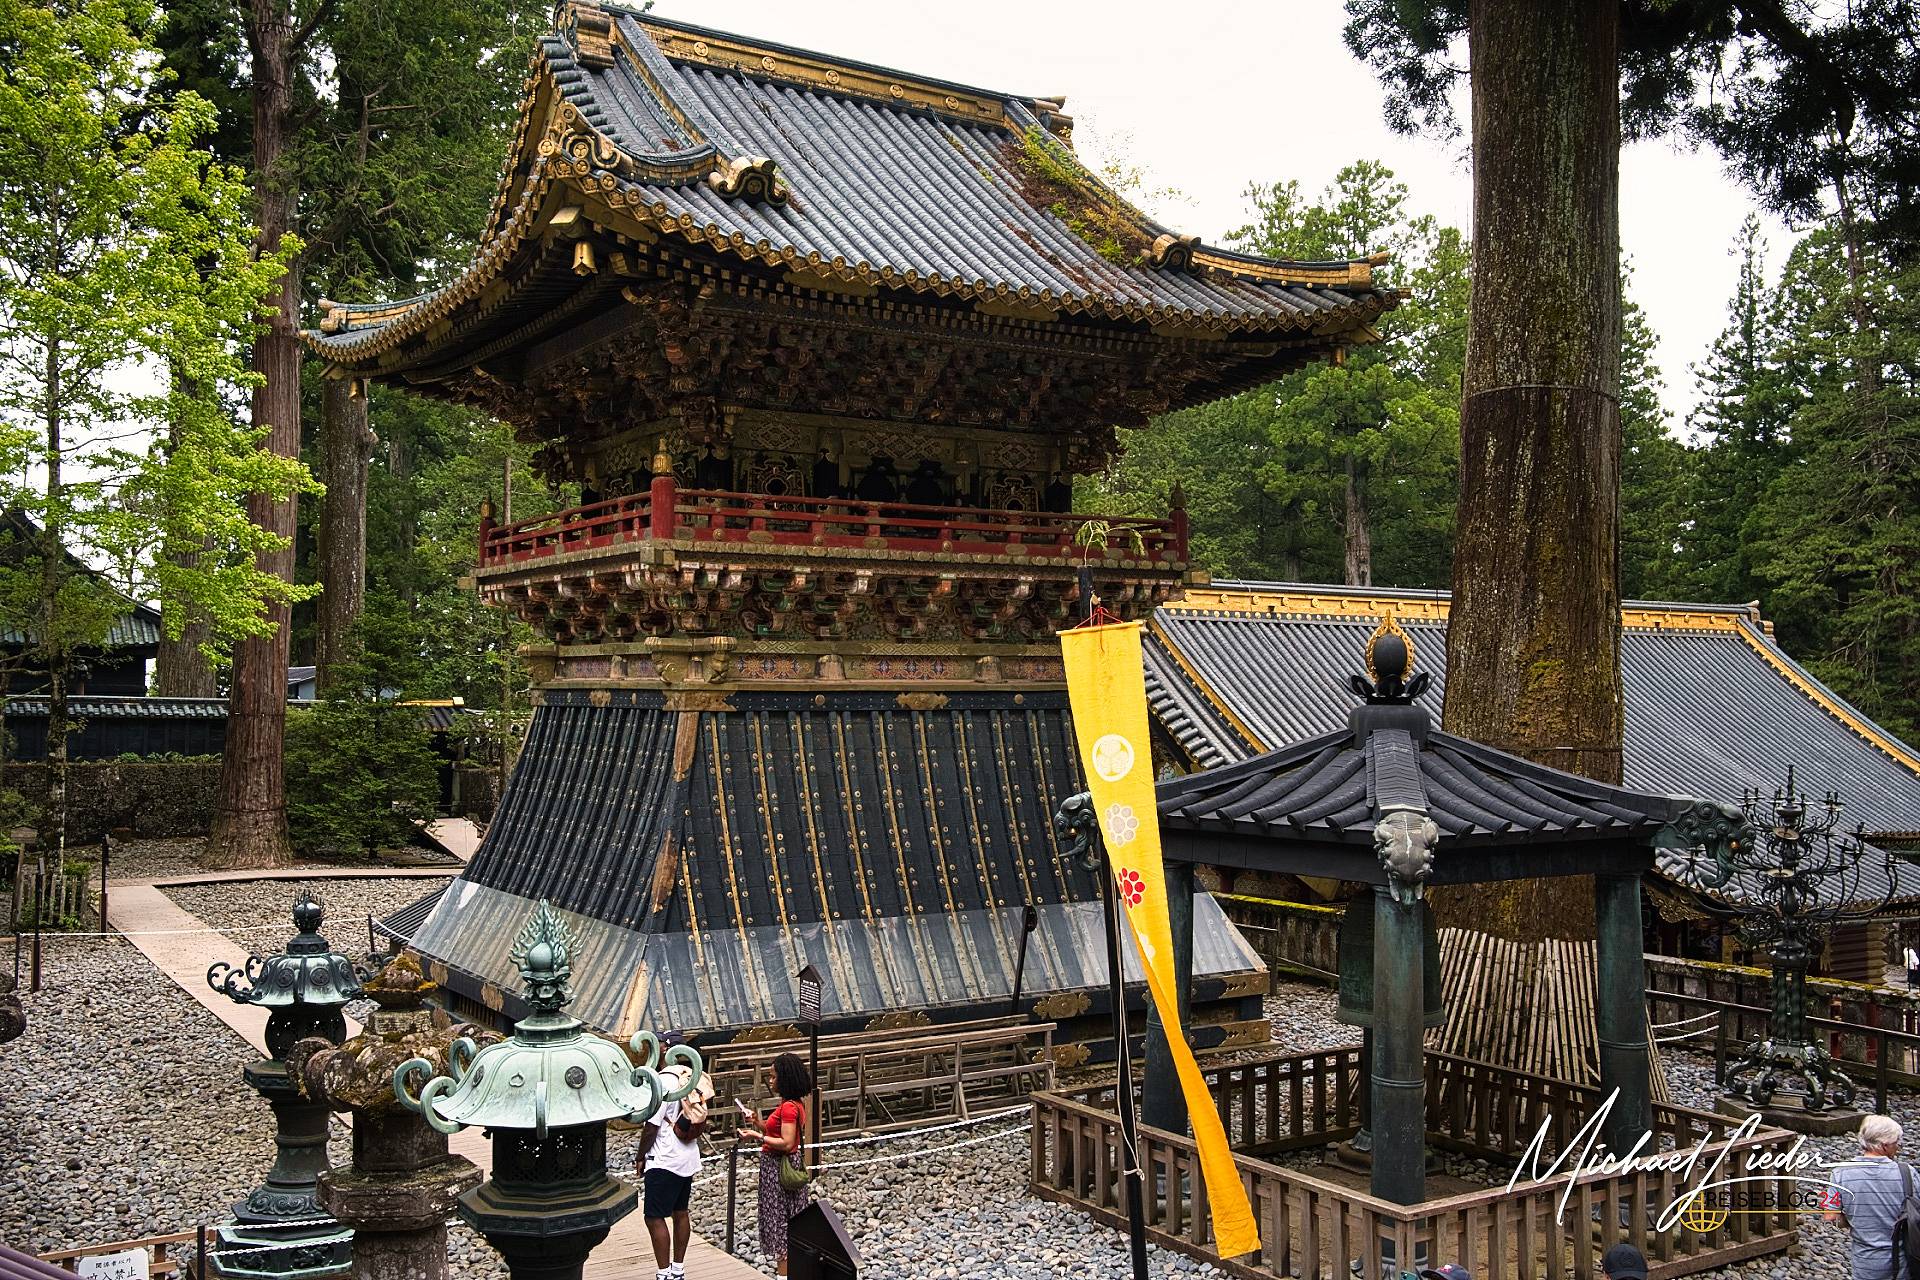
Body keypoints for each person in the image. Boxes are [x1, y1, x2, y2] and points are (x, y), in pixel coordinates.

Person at [637, 1042, 711, 1280]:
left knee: (653, 1216)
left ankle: (663, 1272)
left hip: (664, 1157)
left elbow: (652, 1126)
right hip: (687, 1155)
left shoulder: (663, 1081)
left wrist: (640, 1155)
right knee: (680, 1211)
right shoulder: (689, 1075)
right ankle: (678, 1269)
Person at [1826, 1114, 1914, 1280]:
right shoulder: (1907, 1173)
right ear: (1885, 1145)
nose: (1898, 1147)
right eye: (1896, 1143)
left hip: (1865, 1264)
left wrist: (1852, 1220)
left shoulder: (1840, 1173)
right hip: (1902, 1263)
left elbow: (1830, 1216)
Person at [753, 1051, 813, 1276]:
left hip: (778, 1167)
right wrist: (758, 1123)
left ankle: (783, 1274)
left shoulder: (788, 1107)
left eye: (773, 1076)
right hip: (785, 1165)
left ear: (784, 1078)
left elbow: (786, 1143)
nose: (770, 1081)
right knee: (790, 1219)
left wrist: (757, 1136)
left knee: (780, 1221)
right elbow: (777, 1131)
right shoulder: (795, 1104)